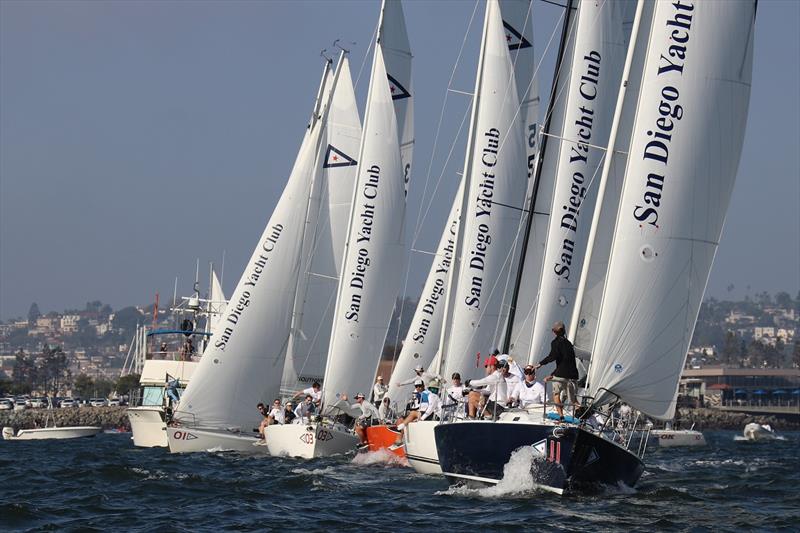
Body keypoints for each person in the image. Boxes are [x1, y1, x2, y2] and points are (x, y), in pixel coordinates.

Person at [535, 320, 579, 419]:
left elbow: (552, 356)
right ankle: (582, 413)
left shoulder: (555, 342)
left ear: (554, 331)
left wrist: (540, 364)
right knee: (573, 400)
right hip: (573, 375)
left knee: (556, 394)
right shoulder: (569, 344)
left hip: (561, 375)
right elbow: (566, 361)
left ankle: (561, 416)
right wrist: (553, 373)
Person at [390, 379, 442, 448]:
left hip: (427, 414)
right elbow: (419, 406)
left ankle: (402, 426)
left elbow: (429, 408)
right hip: (421, 412)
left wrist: (421, 418)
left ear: (423, 386)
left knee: (413, 413)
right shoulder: (419, 394)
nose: (418, 388)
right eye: (416, 386)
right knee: (400, 419)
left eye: (419, 386)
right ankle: (399, 440)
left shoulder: (429, 394)